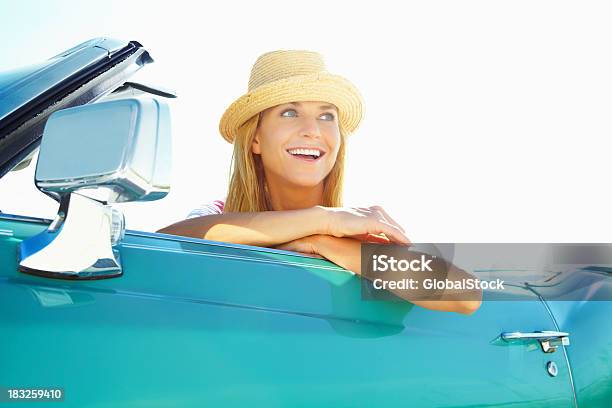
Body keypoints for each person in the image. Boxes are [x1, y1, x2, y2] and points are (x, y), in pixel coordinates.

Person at [158, 50, 481, 314]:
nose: (313, 130)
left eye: (327, 116)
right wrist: (321, 218)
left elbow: (464, 295)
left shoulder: (359, 228)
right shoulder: (220, 215)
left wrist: (322, 242)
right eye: (289, 113)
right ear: (255, 138)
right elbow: (168, 243)